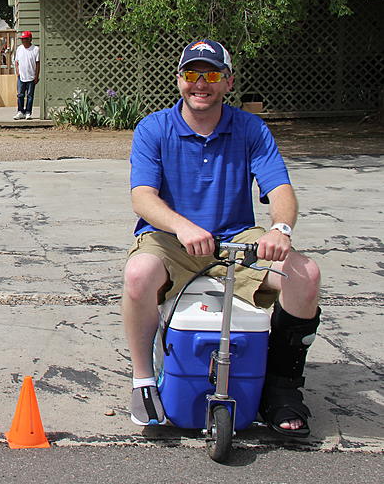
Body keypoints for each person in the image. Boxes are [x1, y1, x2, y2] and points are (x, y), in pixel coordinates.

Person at [122, 39, 321, 437]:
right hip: (173, 239)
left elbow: (279, 188)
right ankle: (143, 380)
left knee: (306, 275)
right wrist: (182, 225)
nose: (201, 83)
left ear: (228, 82)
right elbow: (142, 196)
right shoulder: (154, 128)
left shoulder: (251, 128)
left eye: (211, 75)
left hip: (235, 239)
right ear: (178, 79)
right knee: (138, 273)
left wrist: (280, 229)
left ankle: (281, 387)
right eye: (191, 74)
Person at [13, 30, 39, 120]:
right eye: (22, 39)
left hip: (31, 76)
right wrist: (17, 72)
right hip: (21, 77)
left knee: (30, 96)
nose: (23, 41)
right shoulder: (19, 49)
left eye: (25, 39)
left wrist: (36, 76)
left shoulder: (35, 49)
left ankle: (28, 112)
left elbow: (38, 63)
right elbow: (16, 62)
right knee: (20, 95)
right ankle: (20, 112)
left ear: (30, 39)